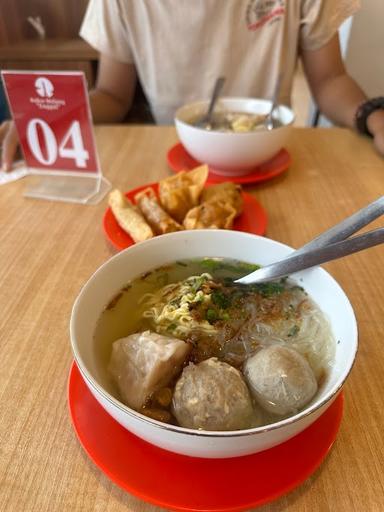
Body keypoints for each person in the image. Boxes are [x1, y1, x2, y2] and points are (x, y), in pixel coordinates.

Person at [1, 0, 384, 171]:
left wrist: (374, 117)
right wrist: (47, 119)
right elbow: (113, 96)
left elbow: (331, 79)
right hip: (172, 160)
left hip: (274, 158)